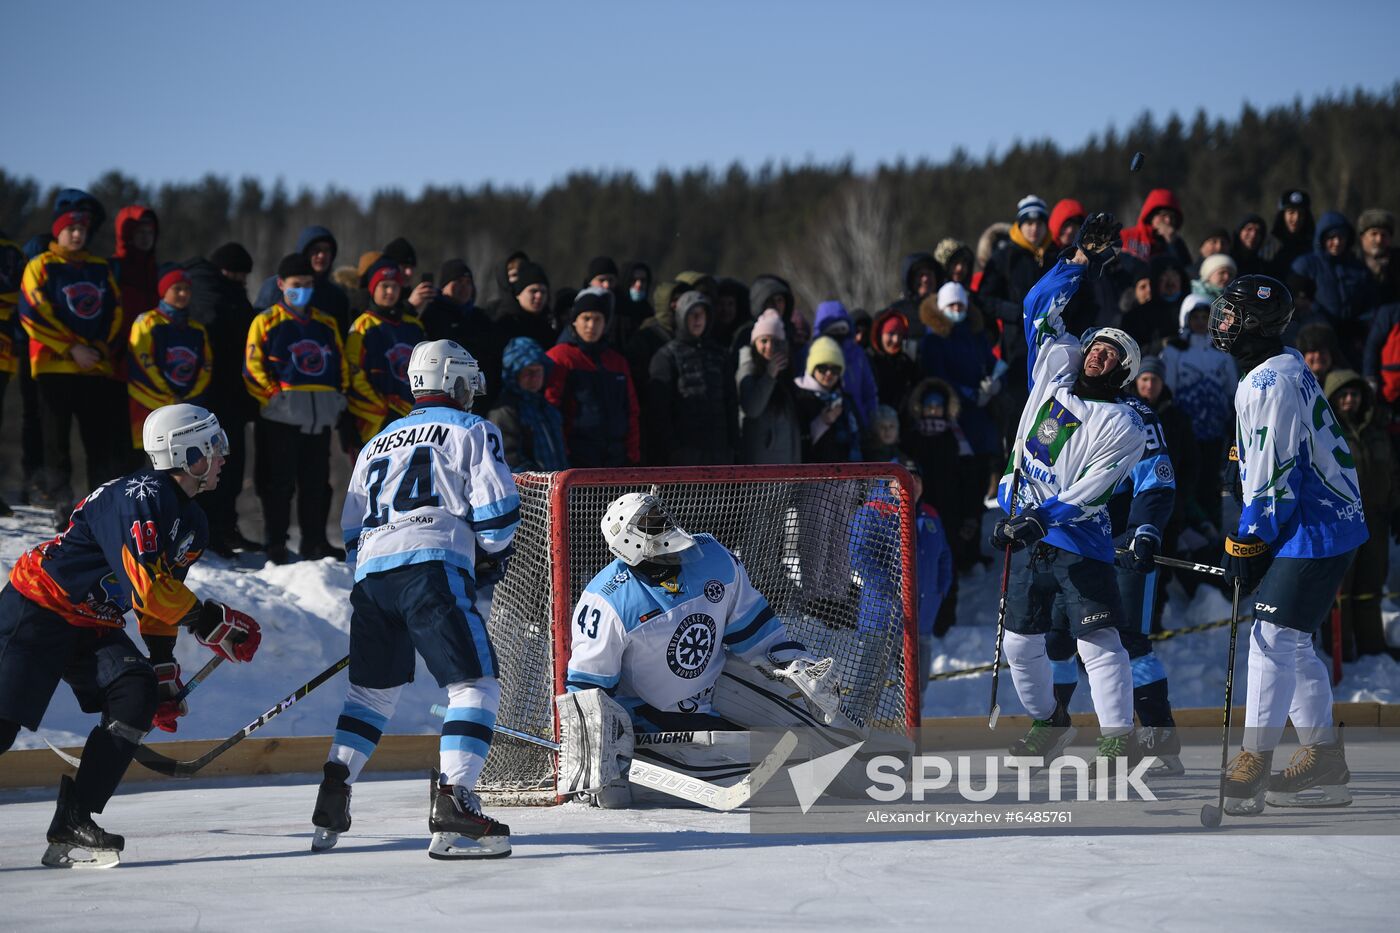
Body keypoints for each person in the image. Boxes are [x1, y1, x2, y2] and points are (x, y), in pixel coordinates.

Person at [0, 404, 261, 868]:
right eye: (216, 447)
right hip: (38, 607)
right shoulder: (137, 496)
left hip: (91, 622)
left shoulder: (193, 522)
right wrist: (211, 621)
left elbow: (160, 598)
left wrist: (162, 669)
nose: (224, 457)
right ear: (189, 452)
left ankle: (75, 818)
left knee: (135, 692)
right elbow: (149, 586)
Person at [314, 340, 518, 858]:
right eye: (468, 381)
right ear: (452, 381)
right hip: (431, 569)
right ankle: (455, 805)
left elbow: (352, 531)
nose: (472, 391)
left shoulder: (375, 442)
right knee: (475, 686)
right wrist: (487, 551)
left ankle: (335, 785)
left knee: (371, 695)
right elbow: (497, 520)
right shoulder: (473, 429)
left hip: (373, 578)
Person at [559, 492, 840, 808]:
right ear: (629, 546)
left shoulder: (713, 557)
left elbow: (758, 636)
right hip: (648, 718)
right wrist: (595, 764)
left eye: (661, 519)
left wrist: (796, 665)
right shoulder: (606, 602)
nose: (665, 531)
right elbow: (588, 693)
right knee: (778, 768)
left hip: (718, 693)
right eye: (652, 526)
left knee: (815, 733)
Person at [1207, 275, 1369, 814]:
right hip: (1325, 518)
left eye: (1231, 314)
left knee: (1271, 637)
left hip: (1314, 523)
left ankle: (1253, 763)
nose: (1221, 321)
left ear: (1255, 324)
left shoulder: (1266, 384)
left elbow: (1277, 477)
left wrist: (1248, 542)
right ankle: (1324, 757)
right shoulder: (1283, 368)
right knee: (1292, 642)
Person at [990, 213, 1146, 763]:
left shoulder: (1125, 422)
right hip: (1027, 530)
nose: (1100, 352)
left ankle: (1117, 737)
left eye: (1113, 353)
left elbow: (1095, 489)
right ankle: (1047, 721)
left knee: (1097, 643)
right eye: (1098, 343)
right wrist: (1079, 263)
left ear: (1124, 371)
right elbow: (1038, 308)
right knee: (1019, 642)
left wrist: (1043, 515)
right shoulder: (1054, 371)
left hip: (1079, 541)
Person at [1033, 346, 1186, 774]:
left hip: (1117, 542)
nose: (1096, 360)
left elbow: (1156, 479)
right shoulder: (1063, 399)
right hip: (1066, 539)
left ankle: (1159, 740)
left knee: (1127, 640)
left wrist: (1145, 532)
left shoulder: (1136, 415)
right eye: (1093, 350)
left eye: (1109, 355)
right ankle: (1052, 728)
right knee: (1057, 640)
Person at [20, 189, 123, 523]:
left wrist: (98, 348)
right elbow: (32, 312)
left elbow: (115, 310)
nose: (77, 235)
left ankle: (101, 506)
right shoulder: (41, 265)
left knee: (98, 442)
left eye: (82, 230)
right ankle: (62, 504)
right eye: (70, 229)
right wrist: (71, 347)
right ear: (57, 230)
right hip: (54, 366)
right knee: (56, 441)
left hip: (93, 366)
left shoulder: (99, 268)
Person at [244, 253, 349, 564]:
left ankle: (315, 541)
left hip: (319, 419)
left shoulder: (325, 323)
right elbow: (253, 368)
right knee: (278, 484)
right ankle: (275, 543)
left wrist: (338, 400)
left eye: (307, 284)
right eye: (295, 284)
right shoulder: (265, 321)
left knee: (317, 485)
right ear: (281, 284)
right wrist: (275, 399)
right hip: (281, 419)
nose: (301, 289)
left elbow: (341, 366)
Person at [185, 242, 260, 556]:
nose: (241, 281)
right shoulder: (205, 291)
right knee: (209, 465)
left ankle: (226, 526)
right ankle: (207, 530)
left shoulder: (232, 294)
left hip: (233, 394)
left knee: (231, 464)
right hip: (210, 394)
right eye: (238, 274)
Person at [1323, 369, 1395, 659]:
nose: (1350, 400)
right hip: (1342, 523)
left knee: (1371, 585)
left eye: (1355, 394)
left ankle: (1373, 647)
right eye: (1343, 395)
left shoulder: (1376, 433)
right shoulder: (1326, 434)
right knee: (1341, 591)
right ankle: (1340, 651)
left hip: (1375, 521)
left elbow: (1393, 472)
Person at [1160, 295, 1236, 541]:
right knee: (1186, 479)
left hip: (1214, 430)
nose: (1201, 322)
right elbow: (1168, 389)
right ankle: (1186, 532)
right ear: (1186, 318)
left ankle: (1214, 533)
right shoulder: (1174, 351)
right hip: (1185, 430)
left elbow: (1232, 390)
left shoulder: (1222, 353)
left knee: (1210, 481)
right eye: (1196, 317)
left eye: (1206, 317)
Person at [545, 287, 640, 467]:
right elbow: (551, 408)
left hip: (617, 458)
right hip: (577, 458)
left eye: (598, 319)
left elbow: (631, 410)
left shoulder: (617, 362)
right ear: (574, 321)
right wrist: (562, 453)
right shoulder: (561, 357)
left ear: (605, 324)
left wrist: (632, 453)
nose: (591, 325)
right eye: (586, 318)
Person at [645, 290, 737, 465]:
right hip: (684, 458)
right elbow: (659, 411)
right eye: (691, 314)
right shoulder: (666, 357)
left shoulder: (720, 356)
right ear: (681, 317)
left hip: (720, 454)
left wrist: (733, 447)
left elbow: (731, 404)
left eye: (701, 314)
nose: (697, 319)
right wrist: (673, 449)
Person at [127, 268, 213, 447]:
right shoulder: (147, 322)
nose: (183, 294)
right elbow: (142, 364)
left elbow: (206, 366)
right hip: (150, 403)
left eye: (187, 289)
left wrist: (190, 397)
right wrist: (169, 397)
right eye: (177, 289)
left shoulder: (197, 329)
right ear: (164, 291)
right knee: (153, 457)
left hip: (185, 407)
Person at [345, 258, 426, 449]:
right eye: (385, 286)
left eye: (395, 286)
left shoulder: (414, 326)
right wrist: (382, 409)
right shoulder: (362, 326)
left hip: (413, 420)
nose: (390, 292)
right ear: (373, 288)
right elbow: (353, 374)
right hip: (376, 422)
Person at [420, 259, 503, 411]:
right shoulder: (432, 314)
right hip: (444, 397)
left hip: (479, 397)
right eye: (457, 282)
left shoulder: (480, 318)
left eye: (468, 283)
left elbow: (493, 357)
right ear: (444, 285)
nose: (463, 287)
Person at [486, 336, 568, 471]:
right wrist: (536, 483)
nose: (535, 378)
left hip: (557, 486)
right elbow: (508, 457)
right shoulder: (505, 411)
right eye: (529, 372)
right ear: (514, 374)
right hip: (530, 488)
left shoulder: (547, 407)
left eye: (539, 371)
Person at [253, 225, 351, 334]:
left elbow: (340, 340)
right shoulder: (275, 287)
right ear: (304, 252)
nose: (321, 255)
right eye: (316, 250)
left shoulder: (336, 296)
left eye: (327, 250)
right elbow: (257, 330)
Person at [736, 308, 801, 464]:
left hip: (785, 467)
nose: (769, 347)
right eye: (764, 340)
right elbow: (752, 408)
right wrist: (769, 377)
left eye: (775, 342)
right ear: (754, 343)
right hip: (759, 470)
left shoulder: (786, 373)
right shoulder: (748, 369)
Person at [793, 336, 861, 462]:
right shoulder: (799, 397)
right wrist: (822, 422)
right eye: (823, 368)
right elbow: (796, 441)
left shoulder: (845, 399)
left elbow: (860, 435)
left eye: (835, 369)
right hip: (813, 473)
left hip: (846, 473)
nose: (829, 374)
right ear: (812, 369)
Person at [812, 300, 878, 427]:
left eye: (842, 329)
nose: (838, 335)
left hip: (858, 421)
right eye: (833, 331)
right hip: (826, 423)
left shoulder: (857, 355)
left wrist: (870, 417)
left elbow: (869, 391)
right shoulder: (816, 355)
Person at [867, 308, 919, 410]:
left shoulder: (907, 364)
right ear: (879, 334)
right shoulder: (869, 362)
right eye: (891, 334)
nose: (896, 340)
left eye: (900, 334)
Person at [1265, 189, 1316, 279]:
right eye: (1291, 212)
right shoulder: (1270, 245)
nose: (1296, 218)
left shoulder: (1313, 246)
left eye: (1301, 214)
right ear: (1282, 215)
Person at [1357, 208, 1399, 305]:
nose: (1379, 240)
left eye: (1384, 235)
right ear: (1362, 237)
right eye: (1374, 234)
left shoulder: (1396, 262)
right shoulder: (1352, 263)